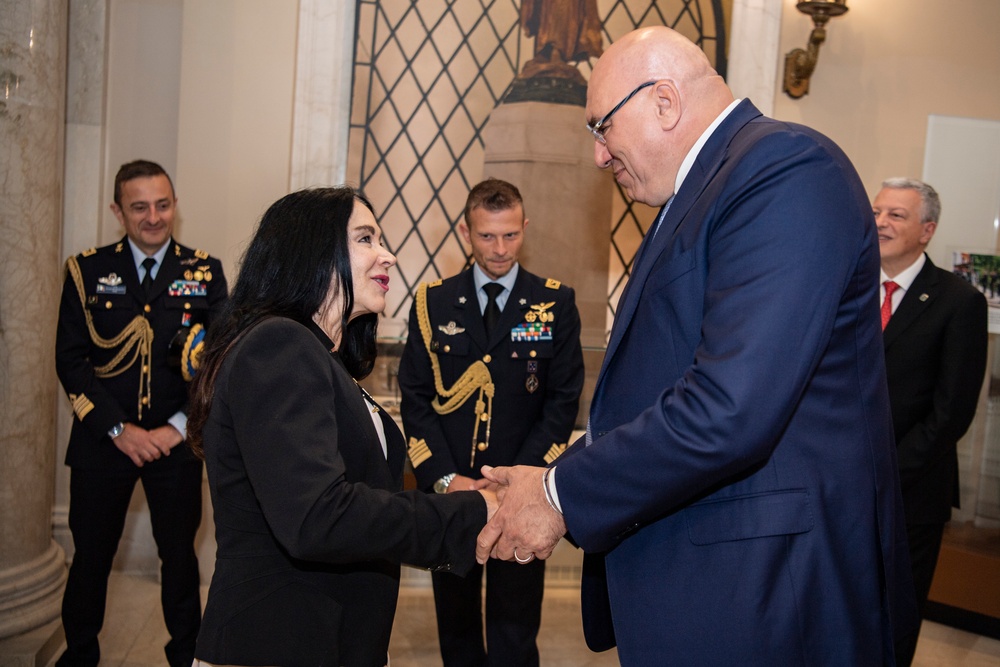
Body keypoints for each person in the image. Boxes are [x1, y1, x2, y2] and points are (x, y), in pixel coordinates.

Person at [474, 26, 919, 665]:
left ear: (663, 101)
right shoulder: (708, 190)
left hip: (768, 592)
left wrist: (557, 495)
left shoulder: (785, 169)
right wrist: (554, 479)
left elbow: (729, 408)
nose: (599, 156)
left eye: (601, 127)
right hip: (718, 581)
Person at [187, 187, 494, 667]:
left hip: (330, 639)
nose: (388, 255)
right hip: (279, 642)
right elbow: (318, 517)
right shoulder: (280, 345)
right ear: (313, 252)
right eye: (366, 238)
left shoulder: (320, 358)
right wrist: (470, 513)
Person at [397, 178, 585, 666]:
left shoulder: (554, 303)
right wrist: (443, 478)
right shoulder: (431, 303)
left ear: (525, 228)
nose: (499, 249)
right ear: (466, 231)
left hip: (521, 498)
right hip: (452, 494)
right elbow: (415, 400)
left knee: (515, 630)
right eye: (486, 236)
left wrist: (516, 485)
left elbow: (562, 404)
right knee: (455, 628)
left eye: (510, 235)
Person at [55, 159, 228, 666]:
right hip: (101, 443)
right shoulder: (85, 271)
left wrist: (177, 430)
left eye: (163, 204)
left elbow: (219, 359)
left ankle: (186, 659)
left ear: (175, 204)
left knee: (178, 561)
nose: (154, 217)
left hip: (175, 447)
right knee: (90, 561)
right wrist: (119, 429)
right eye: (139, 207)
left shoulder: (205, 271)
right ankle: (80, 655)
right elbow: (71, 360)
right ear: (117, 210)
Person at [873, 177, 988, 666]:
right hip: (837, 484)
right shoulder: (848, 286)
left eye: (896, 215)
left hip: (910, 492)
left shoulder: (959, 302)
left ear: (927, 230)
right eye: (877, 211)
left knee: (894, 615)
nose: (880, 222)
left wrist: (883, 475)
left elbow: (951, 414)